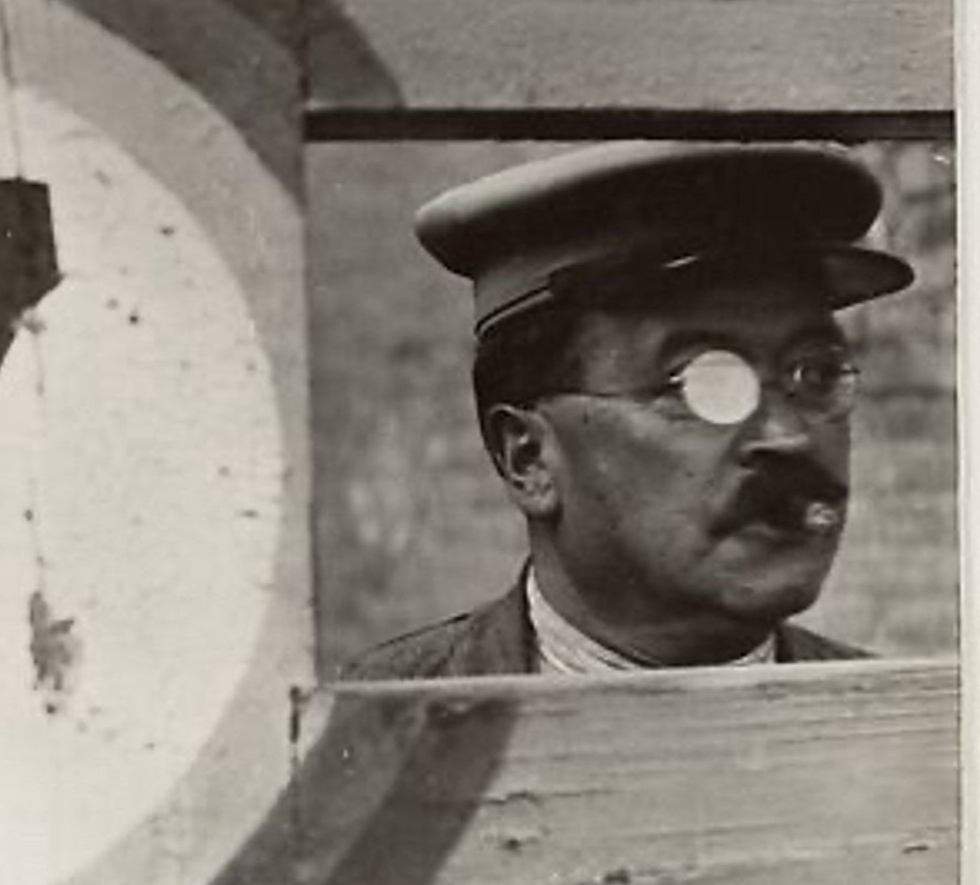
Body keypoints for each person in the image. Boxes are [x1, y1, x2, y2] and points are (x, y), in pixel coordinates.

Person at [344, 142, 915, 679]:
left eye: (815, 374)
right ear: (529, 458)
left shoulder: (914, 741)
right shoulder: (371, 738)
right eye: (703, 383)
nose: (789, 437)